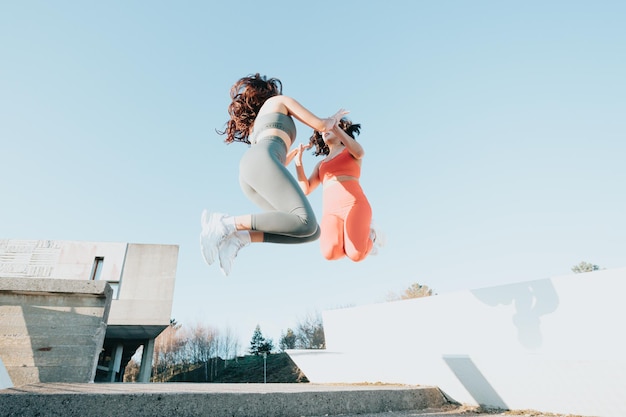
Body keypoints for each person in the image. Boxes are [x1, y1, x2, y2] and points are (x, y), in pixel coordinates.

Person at [201, 73, 347, 276]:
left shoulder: (256, 126)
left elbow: (271, 164)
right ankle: (225, 223)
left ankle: (240, 238)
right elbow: (321, 125)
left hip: (252, 171)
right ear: (269, 92)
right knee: (305, 221)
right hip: (261, 161)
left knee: (310, 232)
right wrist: (334, 119)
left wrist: (294, 161)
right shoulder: (279, 102)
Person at [291, 117, 382, 262]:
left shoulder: (350, 150)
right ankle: (358, 237)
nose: (325, 132)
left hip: (354, 204)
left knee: (356, 255)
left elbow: (360, 152)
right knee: (329, 253)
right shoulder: (321, 164)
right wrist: (298, 164)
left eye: (329, 129)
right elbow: (305, 189)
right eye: (322, 131)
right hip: (331, 212)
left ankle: (370, 236)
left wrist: (334, 127)